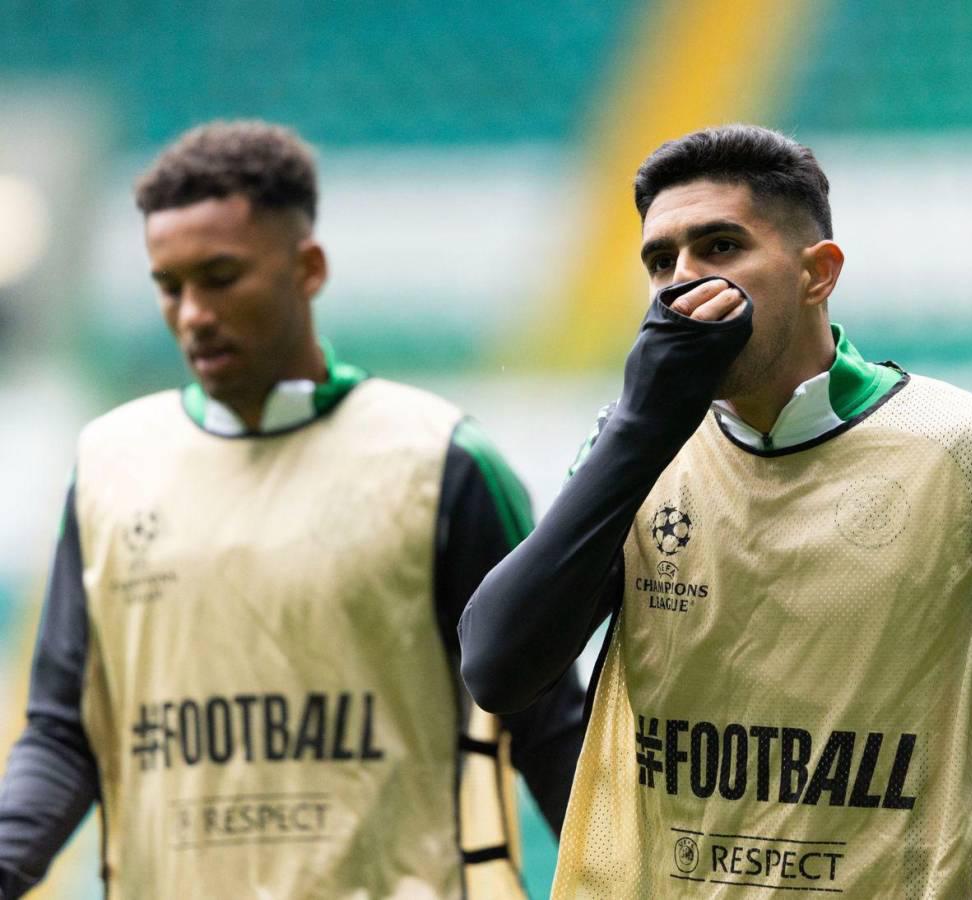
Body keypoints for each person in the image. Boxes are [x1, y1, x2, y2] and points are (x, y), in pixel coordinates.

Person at [459, 124, 972, 897]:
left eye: (720, 247)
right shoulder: (630, 454)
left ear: (817, 274)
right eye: (661, 261)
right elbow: (498, 669)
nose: (682, 283)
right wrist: (641, 428)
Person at [0, 120, 584, 899]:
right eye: (169, 287)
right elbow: (62, 730)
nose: (192, 314)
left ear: (308, 268)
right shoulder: (109, 466)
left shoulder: (440, 459)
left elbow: (550, 728)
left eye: (221, 277)